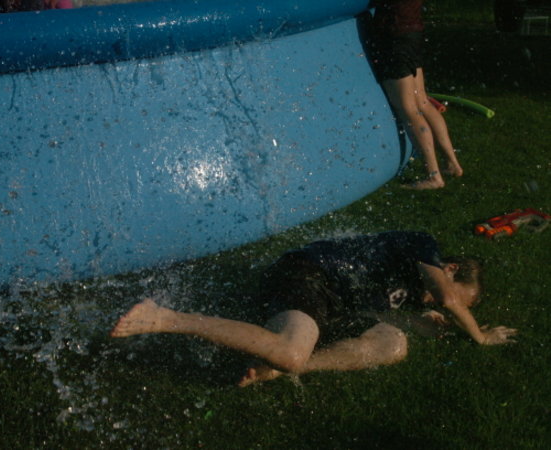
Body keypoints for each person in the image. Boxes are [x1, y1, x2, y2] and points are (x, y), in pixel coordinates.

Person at [111, 231, 517, 387]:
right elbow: (446, 298)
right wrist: (480, 337)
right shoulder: (424, 245)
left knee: (394, 345)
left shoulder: (413, 290)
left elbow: (383, 310)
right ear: (450, 269)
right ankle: (166, 317)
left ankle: (279, 369)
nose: (447, 306)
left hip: (333, 306)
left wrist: (419, 321)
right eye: (458, 298)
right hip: (308, 276)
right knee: (290, 350)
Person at [368, 1, 463, 190]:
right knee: (422, 102)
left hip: (395, 36)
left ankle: (433, 176)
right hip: (412, 32)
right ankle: (452, 163)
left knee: (408, 109)